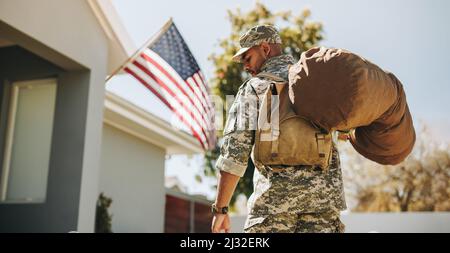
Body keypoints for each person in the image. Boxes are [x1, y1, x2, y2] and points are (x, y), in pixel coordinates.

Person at [211, 25, 347, 233]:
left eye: (247, 58)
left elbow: (234, 155)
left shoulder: (255, 87)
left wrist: (220, 209)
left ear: (265, 49)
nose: (245, 67)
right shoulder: (317, 85)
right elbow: (348, 129)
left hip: (272, 209)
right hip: (324, 209)